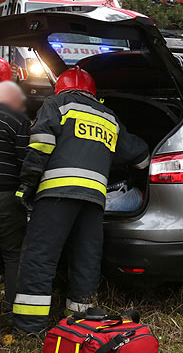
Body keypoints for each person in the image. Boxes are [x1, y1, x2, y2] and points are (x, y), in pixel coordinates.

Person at [13, 66, 149, 334]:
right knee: (86, 260)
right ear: (94, 93)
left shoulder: (57, 104)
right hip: (95, 201)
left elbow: (40, 145)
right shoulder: (109, 116)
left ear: (60, 88)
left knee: (40, 258)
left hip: (56, 194)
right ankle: (79, 326)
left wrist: (26, 186)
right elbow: (139, 155)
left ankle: (30, 330)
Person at [0, 81, 30, 313]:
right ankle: (12, 312)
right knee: (12, 254)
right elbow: (25, 163)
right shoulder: (16, 120)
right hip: (6, 197)